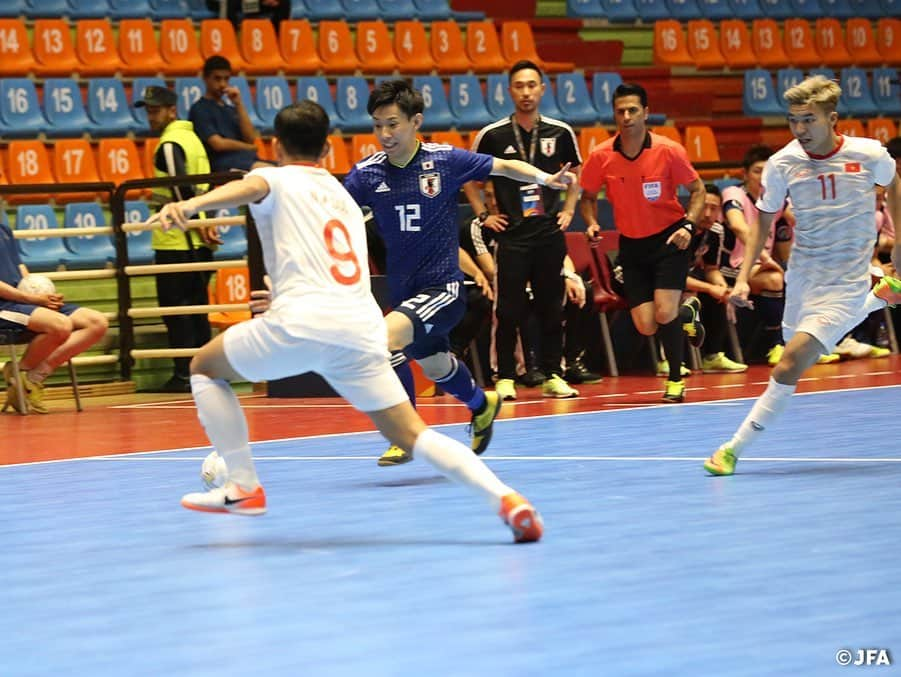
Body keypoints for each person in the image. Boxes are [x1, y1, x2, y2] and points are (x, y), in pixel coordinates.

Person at [149, 100, 543, 543]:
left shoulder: (275, 178)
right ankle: (507, 500)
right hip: (359, 331)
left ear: (276, 145)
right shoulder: (342, 195)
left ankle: (241, 485)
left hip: (302, 323)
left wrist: (191, 206)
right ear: (327, 147)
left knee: (204, 368)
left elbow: (249, 186)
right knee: (414, 435)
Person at [343, 79, 575, 467]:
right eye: (378, 124)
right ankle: (482, 404)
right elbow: (332, 210)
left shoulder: (444, 160)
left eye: (393, 124)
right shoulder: (367, 174)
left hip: (444, 289)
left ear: (415, 121)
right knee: (435, 365)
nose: (384, 134)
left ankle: (406, 434)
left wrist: (544, 179)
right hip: (405, 294)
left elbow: (503, 166)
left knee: (384, 343)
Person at [704, 75, 901, 476]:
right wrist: (743, 277)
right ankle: (881, 297)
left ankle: (732, 450)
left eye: (809, 120)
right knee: (797, 343)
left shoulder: (868, 154)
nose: (800, 129)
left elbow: (894, 184)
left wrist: (898, 243)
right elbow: (762, 220)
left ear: (832, 118)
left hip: (846, 280)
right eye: (794, 120)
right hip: (803, 277)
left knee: (788, 365)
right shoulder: (782, 164)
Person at [579, 82, 707, 403]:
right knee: (647, 325)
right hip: (632, 247)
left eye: (633, 110)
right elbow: (588, 197)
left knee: (664, 313)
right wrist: (593, 222)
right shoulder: (601, 156)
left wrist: (689, 226)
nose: (626, 116)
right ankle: (687, 312)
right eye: (620, 111)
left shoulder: (668, 150)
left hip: (670, 239)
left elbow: (699, 191)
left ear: (646, 113)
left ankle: (675, 379)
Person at [464, 60, 582, 402]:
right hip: (512, 233)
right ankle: (503, 377)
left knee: (551, 306)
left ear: (543, 89)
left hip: (548, 232)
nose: (527, 92)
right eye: (520, 86)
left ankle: (553, 373)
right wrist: (485, 215)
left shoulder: (561, 132)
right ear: (510, 90)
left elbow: (576, 176)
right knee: (508, 309)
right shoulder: (492, 134)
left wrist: (570, 210)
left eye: (532, 85)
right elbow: (471, 182)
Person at [138, 85, 221, 393]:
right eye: (147, 110)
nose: (150, 116)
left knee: (177, 309)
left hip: (177, 240)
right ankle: (203, 373)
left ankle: (186, 374)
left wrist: (195, 225)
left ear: (172, 110)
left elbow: (181, 188)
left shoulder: (171, 143)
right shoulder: (193, 139)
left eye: (155, 110)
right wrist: (205, 223)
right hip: (195, 240)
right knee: (196, 307)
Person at [0, 226, 108, 413]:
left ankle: (31, 377)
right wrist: (31, 299)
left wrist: (43, 294)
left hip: (25, 300)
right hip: (4, 306)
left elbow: (20, 267)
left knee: (97, 323)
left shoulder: (4, 229)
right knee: (61, 325)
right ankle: (20, 376)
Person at [686, 185, 748, 373]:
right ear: (692, 204)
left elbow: (711, 268)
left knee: (719, 292)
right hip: (659, 280)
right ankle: (676, 359)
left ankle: (712, 356)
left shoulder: (715, 231)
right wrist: (710, 288)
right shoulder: (679, 228)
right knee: (689, 294)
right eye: (704, 206)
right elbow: (672, 277)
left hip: (689, 276)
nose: (707, 213)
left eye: (714, 208)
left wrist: (721, 286)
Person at [189, 56, 269, 175]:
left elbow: (250, 138)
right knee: (269, 172)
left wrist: (239, 104)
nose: (222, 84)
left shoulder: (231, 109)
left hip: (246, 160)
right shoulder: (200, 109)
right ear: (205, 78)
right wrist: (248, 147)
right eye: (217, 78)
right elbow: (218, 144)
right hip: (222, 165)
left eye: (226, 79)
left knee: (282, 169)